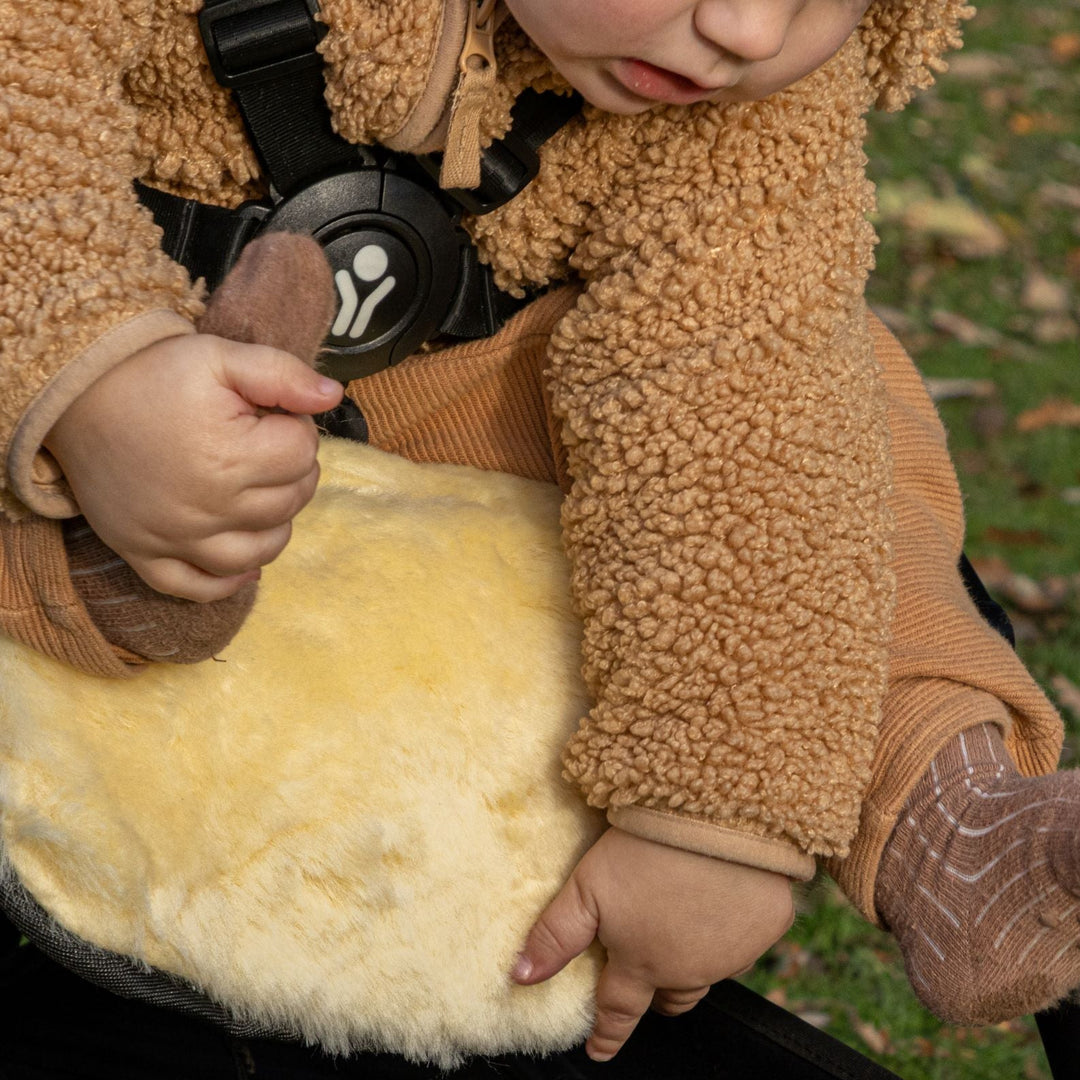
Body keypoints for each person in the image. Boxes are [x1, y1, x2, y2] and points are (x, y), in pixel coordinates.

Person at [0, 0, 1073, 1068]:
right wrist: (94, 370)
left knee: (819, 411)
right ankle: (103, 577)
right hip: (133, 328)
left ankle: (948, 821)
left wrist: (718, 820)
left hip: (467, 382)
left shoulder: (745, 97)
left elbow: (746, 399)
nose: (749, 31)